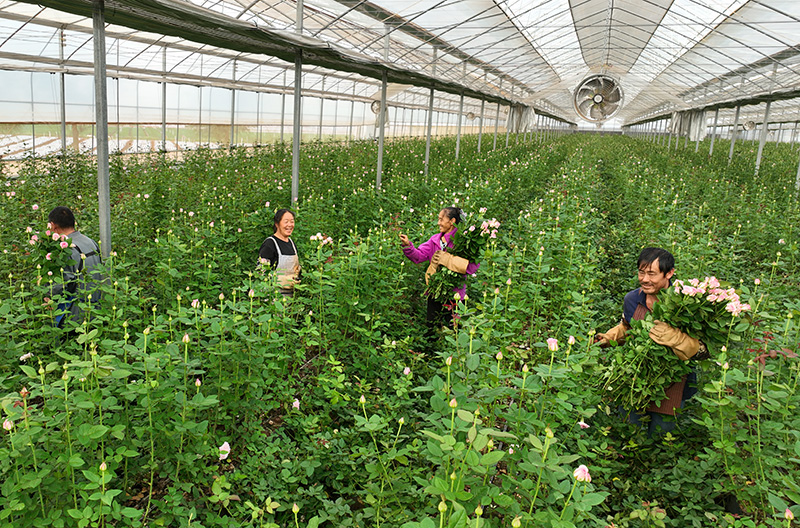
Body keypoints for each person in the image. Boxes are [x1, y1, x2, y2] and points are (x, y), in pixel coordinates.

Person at [595, 247, 708, 435]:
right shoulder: (633, 299)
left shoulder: (686, 303)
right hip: (634, 376)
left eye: (652, 274)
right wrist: (608, 338)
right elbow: (626, 326)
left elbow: (703, 350)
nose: (645, 279)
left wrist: (676, 338)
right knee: (629, 427)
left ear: (669, 273)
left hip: (672, 380)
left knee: (662, 432)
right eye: (641, 272)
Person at [399, 207, 480, 328]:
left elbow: (472, 267)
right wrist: (408, 246)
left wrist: (450, 261)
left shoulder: (463, 241)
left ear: (452, 221)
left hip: (455, 295)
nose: (438, 223)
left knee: (454, 330)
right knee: (431, 327)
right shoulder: (435, 240)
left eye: (441, 219)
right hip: (435, 293)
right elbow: (419, 256)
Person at [47, 206, 104, 328]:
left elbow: (61, 284)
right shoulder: (90, 242)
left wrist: (47, 295)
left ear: (53, 226)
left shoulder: (66, 249)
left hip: (74, 315)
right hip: (95, 310)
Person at [258, 208, 300, 297]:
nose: (290, 225)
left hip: (292, 297)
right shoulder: (270, 244)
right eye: (286, 222)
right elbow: (260, 273)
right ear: (277, 224)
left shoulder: (292, 244)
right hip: (273, 297)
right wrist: (281, 280)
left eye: (292, 221)